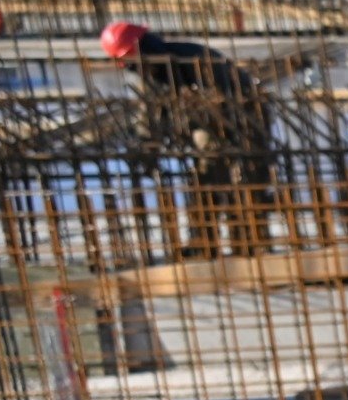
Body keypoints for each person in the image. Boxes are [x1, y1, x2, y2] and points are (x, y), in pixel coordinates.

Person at [99, 18, 274, 259]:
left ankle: (251, 241)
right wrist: (147, 147)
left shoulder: (187, 59)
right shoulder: (155, 71)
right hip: (210, 125)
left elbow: (223, 100)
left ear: (141, 47)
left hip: (244, 117)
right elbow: (151, 114)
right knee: (205, 181)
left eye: (128, 58)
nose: (127, 66)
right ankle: (204, 243)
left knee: (244, 178)